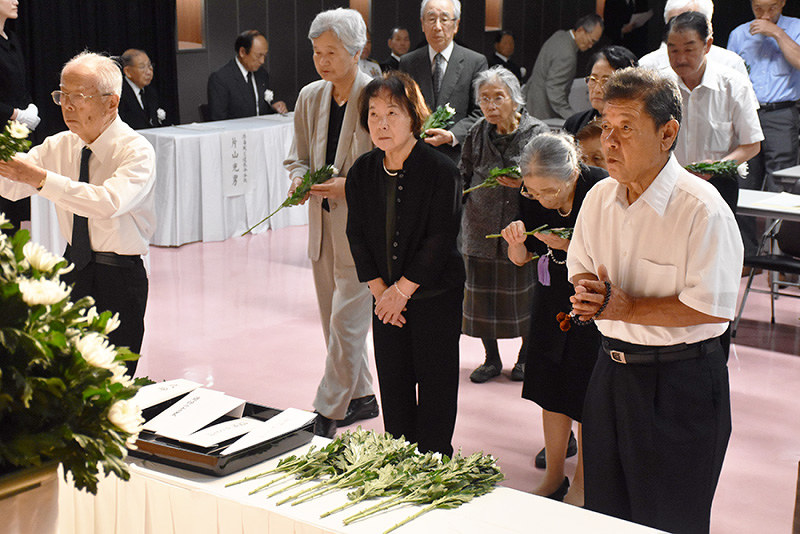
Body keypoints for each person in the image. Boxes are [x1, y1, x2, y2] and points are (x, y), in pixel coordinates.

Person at [568, 67, 742, 532]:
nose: (609, 141)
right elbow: (580, 261)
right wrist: (591, 293)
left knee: (670, 519)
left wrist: (629, 308)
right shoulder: (599, 196)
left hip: (679, 383)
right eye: (605, 126)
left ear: (668, 133)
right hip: (610, 374)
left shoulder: (701, 208)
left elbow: (713, 307)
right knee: (606, 514)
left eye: (626, 128)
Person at [0, 51, 156, 377]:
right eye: (62, 95)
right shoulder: (59, 145)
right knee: (64, 372)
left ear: (111, 103)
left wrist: (41, 179)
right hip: (73, 267)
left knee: (111, 377)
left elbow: (107, 203)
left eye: (78, 97)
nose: (67, 106)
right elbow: (12, 186)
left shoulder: (136, 150)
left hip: (120, 275)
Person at [345, 71, 464, 456]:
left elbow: (440, 239)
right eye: (374, 114)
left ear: (414, 117)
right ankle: (399, 461)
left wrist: (401, 291)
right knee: (393, 384)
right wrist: (382, 294)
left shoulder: (441, 170)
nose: (381, 123)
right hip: (385, 302)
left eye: (392, 113)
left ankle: (433, 461)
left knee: (436, 383)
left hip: (435, 294)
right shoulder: (362, 171)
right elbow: (357, 236)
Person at [283, 8, 377, 439]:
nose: (322, 61)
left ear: (357, 52)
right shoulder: (310, 96)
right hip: (321, 227)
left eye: (331, 52)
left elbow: (387, 165)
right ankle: (361, 396)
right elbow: (297, 155)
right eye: (317, 52)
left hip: (363, 230)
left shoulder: (376, 96)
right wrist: (299, 179)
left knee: (346, 320)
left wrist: (349, 187)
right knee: (330, 319)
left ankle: (329, 407)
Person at [501, 133, 605, 506]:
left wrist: (570, 245)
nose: (542, 199)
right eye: (533, 192)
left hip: (592, 296)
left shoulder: (600, 189)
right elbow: (521, 258)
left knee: (585, 390)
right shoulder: (529, 193)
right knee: (550, 385)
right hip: (551, 295)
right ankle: (553, 476)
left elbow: (616, 254)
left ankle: (583, 484)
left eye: (549, 191)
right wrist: (515, 243)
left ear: (573, 171)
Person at [459, 66, 547, 384]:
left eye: (499, 97)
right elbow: (464, 170)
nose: (492, 105)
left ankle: (524, 358)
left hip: (520, 227)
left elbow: (550, 179)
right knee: (482, 300)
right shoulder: (477, 132)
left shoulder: (537, 133)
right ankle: (491, 359)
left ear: (515, 99)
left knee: (525, 298)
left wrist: (524, 182)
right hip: (480, 226)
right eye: (485, 99)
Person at [666, 11, 762, 214]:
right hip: (668, 185)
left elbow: (752, 145)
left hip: (719, 186)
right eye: (673, 51)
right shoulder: (661, 86)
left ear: (707, 45)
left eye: (689, 49)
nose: (680, 59)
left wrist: (716, 167)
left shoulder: (733, 85)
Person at [728, 0, 800, 257]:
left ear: (782, 3)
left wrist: (778, 33)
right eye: (758, 8)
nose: (765, 14)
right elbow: (730, 77)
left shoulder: (796, 27)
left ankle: (782, 255)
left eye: (771, 7)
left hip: (782, 112)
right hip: (747, 114)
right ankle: (747, 254)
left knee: (784, 185)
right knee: (744, 181)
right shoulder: (738, 34)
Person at [399, 0, 488, 160]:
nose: (437, 26)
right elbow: (402, 107)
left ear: (456, 25)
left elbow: (481, 111)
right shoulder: (408, 62)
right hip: (415, 155)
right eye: (431, 19)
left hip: (457, 156)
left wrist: (451, 135)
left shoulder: (475, 62)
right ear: (422, 24)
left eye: (444, 19)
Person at [0, 0, 39, 234]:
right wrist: (15, 114)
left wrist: (28, 108)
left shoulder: (11, 40)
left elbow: (17, 85)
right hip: (4, 127)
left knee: (14, 203)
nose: (16, 1)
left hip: (15, 135)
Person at [523, 14, 604, 121]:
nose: (590, 46)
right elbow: (555, 91)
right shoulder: (567, 55)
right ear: (580, 30)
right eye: (591, 41)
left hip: (531, 100)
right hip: (543, 110)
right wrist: (574, 118)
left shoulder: (559, 35)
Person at [639, 0, 749, 76]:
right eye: (674, 22)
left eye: (690, 22)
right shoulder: (648, 65)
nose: (681, 29)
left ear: (708, 27)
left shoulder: (731, 63)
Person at [207, 30, 288, 121]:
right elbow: (218, 120)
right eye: (258, 56)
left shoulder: (262, 74)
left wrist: (274, 107)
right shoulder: (221, 79)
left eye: (265, 56)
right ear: (242, 52)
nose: (262, 61)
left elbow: (260, 109)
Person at [563, 45, 638, 136]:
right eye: (593, 79)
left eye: (606, 81)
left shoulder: (638, 127)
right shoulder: (574, 124)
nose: (597, 89)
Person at [118, 49, 167, 130]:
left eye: (149, 65)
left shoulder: (151, 92)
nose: (148, 72)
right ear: (127, 72)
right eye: (142, 67)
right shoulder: (119, 93)